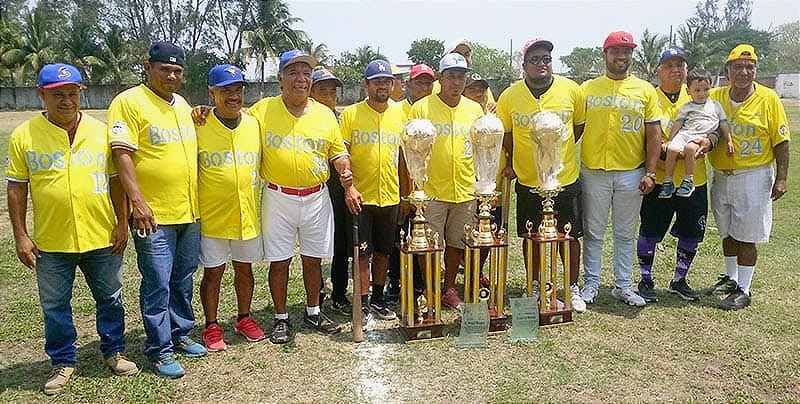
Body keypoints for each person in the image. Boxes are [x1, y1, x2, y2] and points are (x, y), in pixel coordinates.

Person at [6, 63, 138, 395]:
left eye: (72, 93)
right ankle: (63, 362)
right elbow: (17, 188)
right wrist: (21, 235)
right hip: (52, 241)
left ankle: (114, 351)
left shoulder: (100, 130)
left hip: (101, 235)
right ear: (42, 95)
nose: (66, 101)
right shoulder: (25, 135)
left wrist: (122, 224)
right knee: (55, 306)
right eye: (57, 95)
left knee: (110, 297)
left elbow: (115, 182)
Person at [247, 49, 360, 343]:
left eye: (306, 73)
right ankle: (281, 317)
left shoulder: (324, 114)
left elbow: (338, 151)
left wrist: (345, 173)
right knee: (280, 260)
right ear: (280, 78)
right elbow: (233, 125)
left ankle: (313, 310)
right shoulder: (261, 110)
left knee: (313, 258)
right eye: (294, 72)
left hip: (316, 197)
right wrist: (203, 112)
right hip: (278, 196)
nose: (301, 79)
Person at [108, 41, 206, 378]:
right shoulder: (129, 102)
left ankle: (180, 334)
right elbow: (122, 154)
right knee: (157, 284)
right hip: (154, 216)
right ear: (148, 67)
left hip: (188, 212)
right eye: (165, 69)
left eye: (178, 70)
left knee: (182, 279)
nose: (172, 75)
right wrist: (138, 202)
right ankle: (160, 350)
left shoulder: (181, 104)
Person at [496, 38, 587, 313]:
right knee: (531, 235)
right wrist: (518, 162)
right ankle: (534, 284)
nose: (541, 64)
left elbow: (577, 128)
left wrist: (556, 157)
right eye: (534, 59)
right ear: (524, 65)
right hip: (528, 180)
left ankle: (571, 287)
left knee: (569, 236)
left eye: (546, 58)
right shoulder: (510, 96)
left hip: (564, 178)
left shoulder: (572, 90)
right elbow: (507, 135)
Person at [579, 31, 662, 307]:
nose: (621, 56)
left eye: (626, 51)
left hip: (631, 172)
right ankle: (590, 283)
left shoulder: (644, 90)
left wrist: (650, 172)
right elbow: (573, 128)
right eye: (615, 50)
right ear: (604, 54)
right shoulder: (587, 89)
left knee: (625, 233)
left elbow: (654, 134)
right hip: (594, 171)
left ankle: (623, 285)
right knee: (593, 231)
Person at [706, 44, 790, 310]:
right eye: (738, 67)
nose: (743, 72)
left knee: (746, 235)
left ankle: (745, 288)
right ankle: (731, 279)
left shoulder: (768, 98)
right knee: (728, 231)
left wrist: (782, 178)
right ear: (727, 70)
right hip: (721, 174)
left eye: (749, 67)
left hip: (753, 174)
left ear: (755, 71)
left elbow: (782, 141)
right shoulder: (716, 96)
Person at [636, 48, 719, 303]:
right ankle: (646, 278)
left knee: (691, 233)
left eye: (680, 65)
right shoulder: (650, 97)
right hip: (661, 180)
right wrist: (663, 152)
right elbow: (641, 138)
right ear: (659, 70)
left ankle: (679, 280)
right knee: (650, 231)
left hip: (695, 180)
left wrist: (709, 141)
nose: (675, 70)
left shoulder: (699, 94)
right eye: (669, 65)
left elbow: (717, 130)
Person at [197, 64, 265, 352]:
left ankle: (244, 317)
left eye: (238, 90)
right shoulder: (198, 124)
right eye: (226, 90)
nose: (233, 96)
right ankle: (212, 324)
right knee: (213, 272)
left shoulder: (254, 124)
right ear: (212, 93)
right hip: (212, 216)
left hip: (246, 214)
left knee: (245, 270)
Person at [408, 52, 484, 310]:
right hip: (432, 190)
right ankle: (429, 289)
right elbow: (411, 148)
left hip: (465, 188)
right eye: (451, 76)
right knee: (428, 245)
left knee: (455, 243)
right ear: (441, 78)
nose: (456, 82)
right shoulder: (422, 107)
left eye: (461, 76)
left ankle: (448, 287)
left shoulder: (474, 109)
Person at [340, 59, 408, 323]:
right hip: (361, 197)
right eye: (377, 81)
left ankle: (379, 298)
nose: (383, 85)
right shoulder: (351, 114)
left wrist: (405, 194)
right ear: (365, 84)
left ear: (393, 84)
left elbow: (405, 159)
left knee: (383, 251)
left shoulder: (401, 114)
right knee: (362, 254)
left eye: (387, 81)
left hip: (390, 196)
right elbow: (341, 152)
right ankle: (363, 302)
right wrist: (349, 187)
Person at [385, 63, 436, 304]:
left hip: (429, 186)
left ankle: (420, 284)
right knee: (400, 236)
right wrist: (406, 192)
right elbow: (401, 155)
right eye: (420, 82)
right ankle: (395, 282)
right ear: (408, 84)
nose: (425, 87)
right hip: (404, 186)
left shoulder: (433, 108)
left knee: (423, 237)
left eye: (429, 83)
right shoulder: (398, 111)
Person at [310, 67, 351, 315]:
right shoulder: (306, 116)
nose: (329, 95)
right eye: (323, 90)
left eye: (332, 90)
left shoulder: (342, 118)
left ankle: (339, 292)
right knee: (314, 246)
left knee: (342, 243)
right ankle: (316, 293)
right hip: (315, 189)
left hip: (339, 188)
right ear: (312, 92)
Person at [658, 68, 733, 199]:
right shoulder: (687, 107)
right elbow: (678, 124)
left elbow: (723, 124)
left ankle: (688, 180)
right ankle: (668, 181)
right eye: (697, 90)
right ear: (689, 91)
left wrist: (729, 140)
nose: (702, 94)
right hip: (686, 133)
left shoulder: (715, 106)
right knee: (671, 149)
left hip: (701, 136)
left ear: (710, 88)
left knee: (690, 149)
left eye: (706, 89)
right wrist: (670, 140)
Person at [433, 40, 496, 106]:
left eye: (467, 54)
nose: (463, 58)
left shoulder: (481, 85)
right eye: (458, 54)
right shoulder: (435, 87)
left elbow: (488, 108)